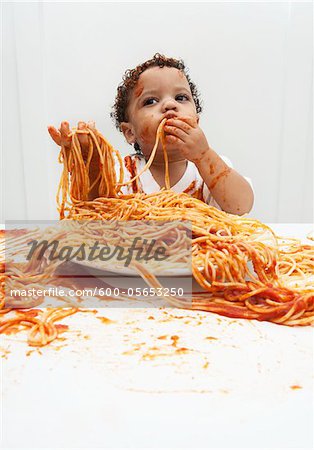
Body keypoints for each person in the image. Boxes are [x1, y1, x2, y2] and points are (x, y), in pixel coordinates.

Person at [48, 53, 254, 215]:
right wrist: (90, 161)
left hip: (200, 265)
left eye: (181, 97)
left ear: (197, 122)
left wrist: (204, 155)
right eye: (150, 101)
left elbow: (241, 206)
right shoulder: (123, 174)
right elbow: (95, 211)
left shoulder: (209, 172)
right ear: (130, 133)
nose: (170, 105)